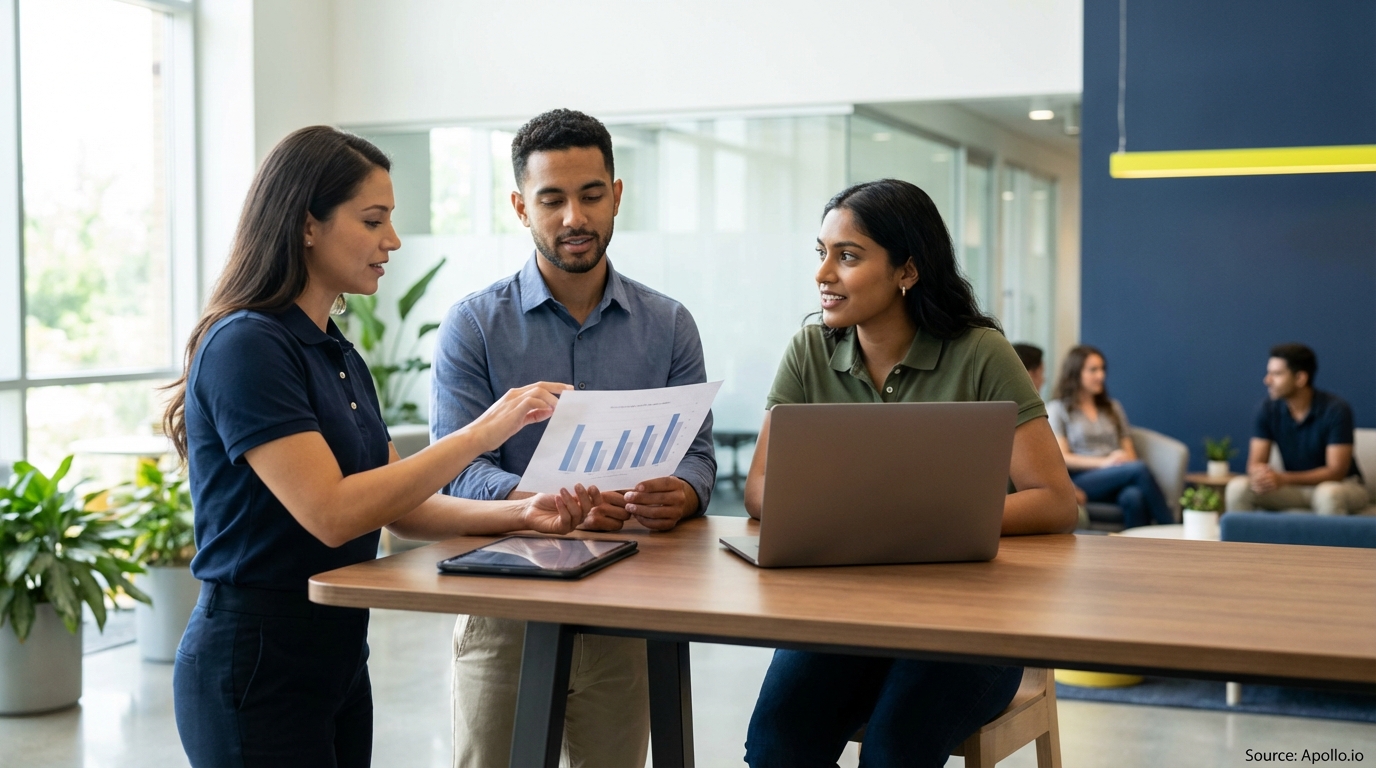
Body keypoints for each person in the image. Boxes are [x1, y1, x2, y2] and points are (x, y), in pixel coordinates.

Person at [164, 126, 594, 767]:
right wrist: (483, 432)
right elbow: (332, 513)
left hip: (337, 655)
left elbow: (405, 507)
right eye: (373, 220)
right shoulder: (246, 344)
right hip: (255, 661)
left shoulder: (336, 352)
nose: (392, 240)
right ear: (308, 224)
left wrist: (521, 514)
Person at [740, 178, 1077, 768]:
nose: (823, 274)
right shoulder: (808, 352)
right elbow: (760, 489)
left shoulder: (981, 352)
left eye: (847, 257)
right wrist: (872, 523)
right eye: (820, 254)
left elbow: (1054, 500)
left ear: (907, 271)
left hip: (973, 625)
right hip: (845, 618)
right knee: (777, 744)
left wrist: (926, 525)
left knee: (896, 751)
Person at [430, 109, 717, 768]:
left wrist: (684, 492)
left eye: (590, 195)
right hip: (504, 609)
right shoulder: (473, 326)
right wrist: (546, 501)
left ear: (617, 194)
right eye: (550, 199)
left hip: (630, 604)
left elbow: (697, 456)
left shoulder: (670, 325)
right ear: (519, 206)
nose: (573, 218)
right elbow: (457, 472)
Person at [1226, 343, 1368, 515]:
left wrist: (1282, 478)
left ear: (1300, 378)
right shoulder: (1267, 409)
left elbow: (1335, 472)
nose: (1267, 380)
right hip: (1294, 488)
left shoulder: (1336, 410)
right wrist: (1260, 475)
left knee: (1328, 494)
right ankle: (1242, 543)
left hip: (1343, 486)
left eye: (1276, 374)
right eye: (1268, 373)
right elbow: (1255, 463)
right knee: (1238, 488)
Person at [1047, 345, 1172, 529]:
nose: (1101, 376)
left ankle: (1138, 554)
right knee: (1139, 469)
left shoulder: (1112, 408)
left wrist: (1119, 462)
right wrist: (1105, 463)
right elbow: (1063, 458)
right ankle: (1172, 527)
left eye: (1102, 369)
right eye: (1093, 370)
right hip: (1084, 479)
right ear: (1076, 373)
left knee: (1133, 497)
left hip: (1118, 473)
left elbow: (1130, 455)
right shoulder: (1059, 409)